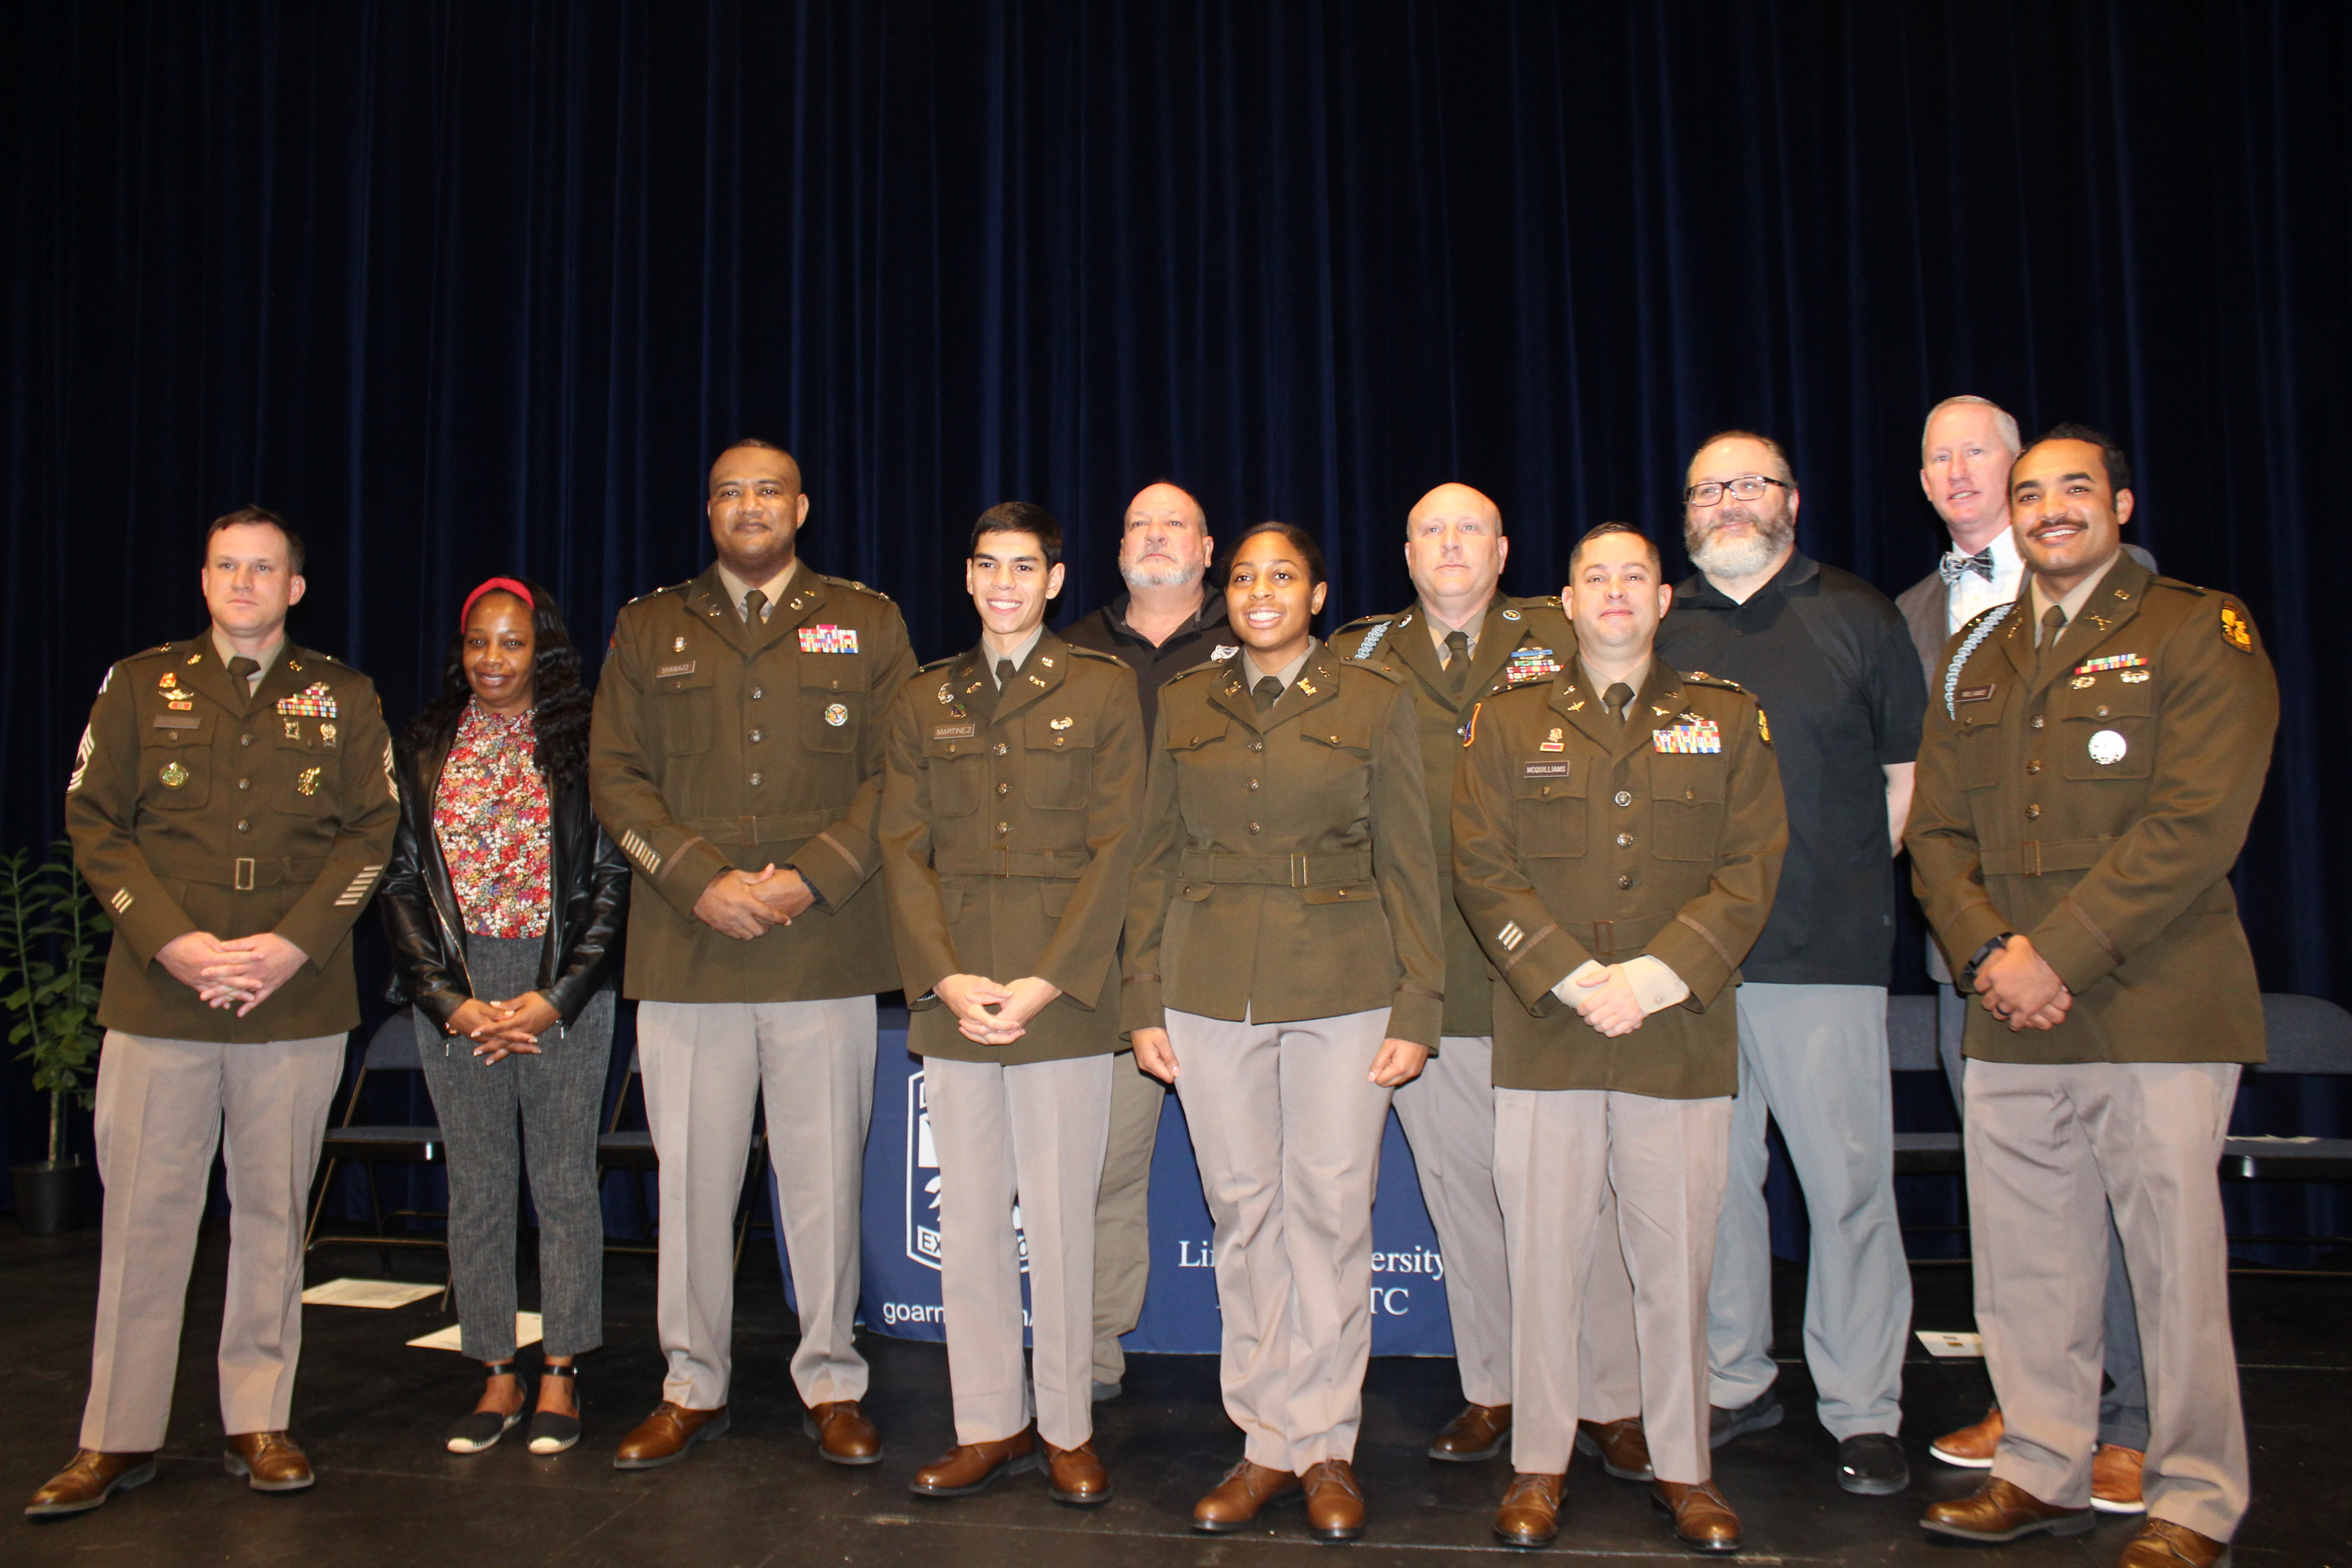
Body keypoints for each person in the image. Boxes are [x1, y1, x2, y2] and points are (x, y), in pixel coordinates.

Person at [1910, 427, 2273, 1568]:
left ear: (2119, 501)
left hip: (2156, 1002)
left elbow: (2194, 828)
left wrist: (2049, 954)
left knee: (2173, 1275)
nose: (2050, 509)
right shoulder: (1980, 653)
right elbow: (1937, 834)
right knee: (2026, 1266)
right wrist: (1986, 956)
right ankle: (2042, 1464)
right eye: (2031, 496)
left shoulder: (2195, 629)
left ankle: (2197, 1493)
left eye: (2074, 489)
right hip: (2010, 1015)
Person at [33, 507, 399, 1518]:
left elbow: (372, 832)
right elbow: (94, 823)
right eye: (228, 566)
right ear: (204, 581)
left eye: (265, 568)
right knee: (144, 1224)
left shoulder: (346, 695)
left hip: (295, 998)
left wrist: (291, 945)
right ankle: (116, 1435)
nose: (245, 582)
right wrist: (174, 941)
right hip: (161, 998)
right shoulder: (140, 685)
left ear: (296, 588)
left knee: (275, 1218)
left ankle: (258, 1419)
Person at [1454, 522, 1786, 1554]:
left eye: (1633, 577)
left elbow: (1752, 867)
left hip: (1674, 1032)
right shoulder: (1503, 724)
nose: (1613, 593)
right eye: (1595, 577)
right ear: (1566, 598)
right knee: (1543, 1261)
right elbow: (1482, 866)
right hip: (1549, 1027)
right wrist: (1570, 975)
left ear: (1663, 599)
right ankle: (1540, 1464)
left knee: (1675, 1265)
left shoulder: (1726, 719)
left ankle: (1686, 1467)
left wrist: (1650, 978)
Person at [589, 440, 916, 1470]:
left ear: (801, 507)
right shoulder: (649, 627)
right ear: (709, 512)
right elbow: (614, 775)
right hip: (690, 954)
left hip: (823, 948)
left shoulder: (868, 621)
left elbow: (900, 773)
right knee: (691, 1183)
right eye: (730, 492)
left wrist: (809, 875)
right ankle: (693, 1384)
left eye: (767, 490)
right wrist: (699, 881)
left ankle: (831, 1378)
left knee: (824, 1182)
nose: (748, 506)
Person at [1124, 521, 1444, 1542]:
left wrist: (1419, 1006)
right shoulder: (1184, 703)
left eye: (1286, 577)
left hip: (1344, 988)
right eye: (1249, 576)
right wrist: (1141, 998)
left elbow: (1411, 861)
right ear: (1230, 593)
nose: (1264, 592)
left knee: (1331, 1214)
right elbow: (1152, 858)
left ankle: (1325, 1445)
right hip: (1209, 986)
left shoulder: (1372, 699)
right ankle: (1263, 1441)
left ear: (1316, 595)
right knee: (1244, 1213)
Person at [1334, 483, 1650, 1483]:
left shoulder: (1565, 632)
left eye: (1470, 527)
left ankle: (1608, 1397)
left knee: (1583, 1203)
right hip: (1434, 975)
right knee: (1465, 1197)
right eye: (1431, 529)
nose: (1451, 545)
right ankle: (1497, 1387)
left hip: (1556, 969)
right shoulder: (1361, 656)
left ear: (1505, 549)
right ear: (1407, 552)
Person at [1895, 397, 2153, 1511]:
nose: (1959, 472)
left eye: (1979, 455)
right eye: (1937, 458)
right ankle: (2039, 1409)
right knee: (2017, 1209)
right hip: (1975, 953)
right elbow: (1927, 803)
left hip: (2110, 954)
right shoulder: (1912, 612)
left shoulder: (2137, 598)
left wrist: (2058, 946)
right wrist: (1983, 940)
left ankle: (2134, 1423)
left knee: (2124, 1203)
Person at [1656, 431, 1923, 1495]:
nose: (1729, 502)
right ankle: (1732, 1380)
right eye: (1708, 488)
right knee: (1716, 1190)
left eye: (1750, 485)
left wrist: (1844, 881)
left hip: (1824, 956)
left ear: (1793, 501)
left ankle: (1863, 1405)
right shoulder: (1664, 625)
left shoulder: (1858, 617)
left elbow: (1907, 781)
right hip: (1693, 968)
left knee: (1847, 1186)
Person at [878, 503, 1145, 1507]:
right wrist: (945, 978)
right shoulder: (922, 700)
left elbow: (1119, 848)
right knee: (975, 1226)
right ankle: (988, 1422)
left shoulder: (1102, 690)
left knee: (1065, 1223)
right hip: (954, 1001)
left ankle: (1068, 1426)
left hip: (1063, 1002)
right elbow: (903, 850)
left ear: (1056, 580)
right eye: (987, 564)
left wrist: (1043, 982)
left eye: (1024, 566)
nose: (1004, 582)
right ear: (967, 575)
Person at [379, 576, 631, 1456]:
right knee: (480, 1188)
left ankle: (561, 1370)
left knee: (562, 1187)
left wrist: (556, 997)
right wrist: (448, 1002)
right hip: (458, 989)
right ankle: (494, 1368)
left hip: (561, 987)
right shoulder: (421, 745)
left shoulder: (589, 741)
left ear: (543, 650)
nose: (492, 660)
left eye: (512, 643)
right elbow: (401, 881)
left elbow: (610, 887)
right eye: (478, 643)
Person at [1059, 479, 1233, 1401]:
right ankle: (1084, 1362)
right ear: (1116, 545)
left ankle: (1276, 1376)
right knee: (1103, 1170)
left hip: (1236, 952)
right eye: (1138, 523)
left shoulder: (1258, 639)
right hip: (1111, 959)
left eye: (1176, 524)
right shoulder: (1069, 652)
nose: (1156, 536)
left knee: (1257, 1189)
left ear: (1210, 550)